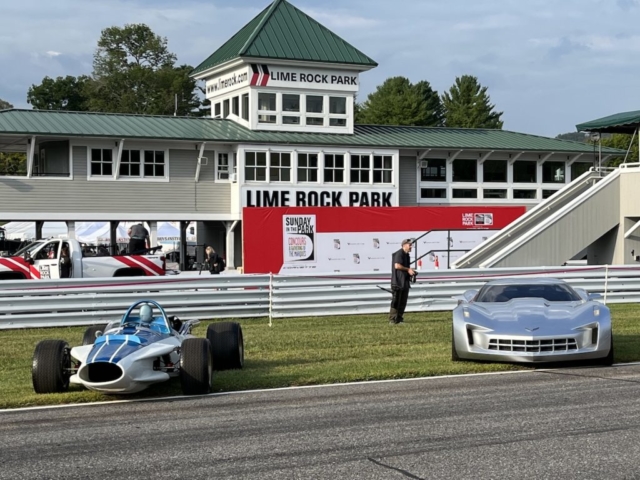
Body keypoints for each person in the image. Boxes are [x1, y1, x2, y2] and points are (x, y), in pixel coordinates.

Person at [389, 238, 415, 325]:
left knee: (403, 301)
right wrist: (408, 269)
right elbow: (397, 266)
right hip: (398, 282)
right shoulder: (399, 253)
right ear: (404, 245)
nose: (411, 246)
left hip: (404, 282)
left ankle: (399, 319)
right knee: (396, 301)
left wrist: (411, 273)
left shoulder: (407, 255)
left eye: (411, 245)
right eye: (409, 245)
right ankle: (392, 320)